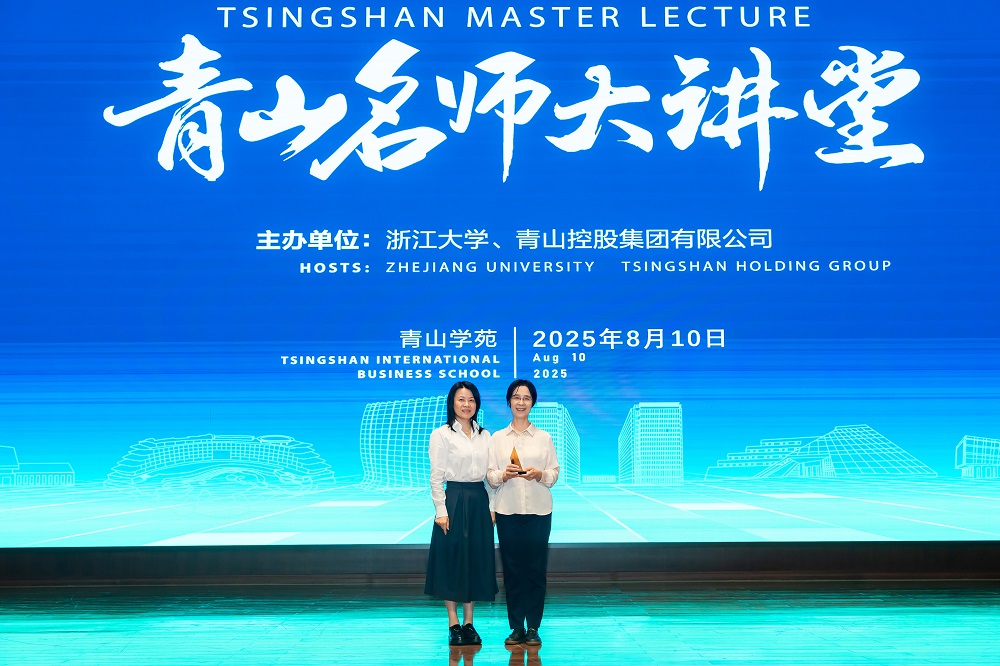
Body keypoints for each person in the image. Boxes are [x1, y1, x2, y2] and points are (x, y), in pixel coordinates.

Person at [424, 381, 498, 646]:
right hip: (454, 500)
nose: (467, 405)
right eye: (461, 400)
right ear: (452, 403)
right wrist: (441, 511)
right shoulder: (441, 434)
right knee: (452, 562)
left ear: (477, 404)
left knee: (474, 562)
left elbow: (490, 477)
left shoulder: (486, 435)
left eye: (471, 400)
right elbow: (436, 477)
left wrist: (492, 507)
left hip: (479, 501)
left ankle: (469, 623)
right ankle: (453, 623)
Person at [487, 379, 559, 647]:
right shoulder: (497, 438)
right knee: (513, 570)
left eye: (526, 398)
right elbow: (489, 475)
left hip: (539, 511)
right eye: (516, 397)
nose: (521, 402)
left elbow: (553, 473)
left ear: (533, 403)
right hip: (508, 511)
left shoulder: (544, 437)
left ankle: (533, 627)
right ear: (508, 401)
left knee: (536, 570)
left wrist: (539, 474)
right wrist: (503, 475)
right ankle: (516, 626)